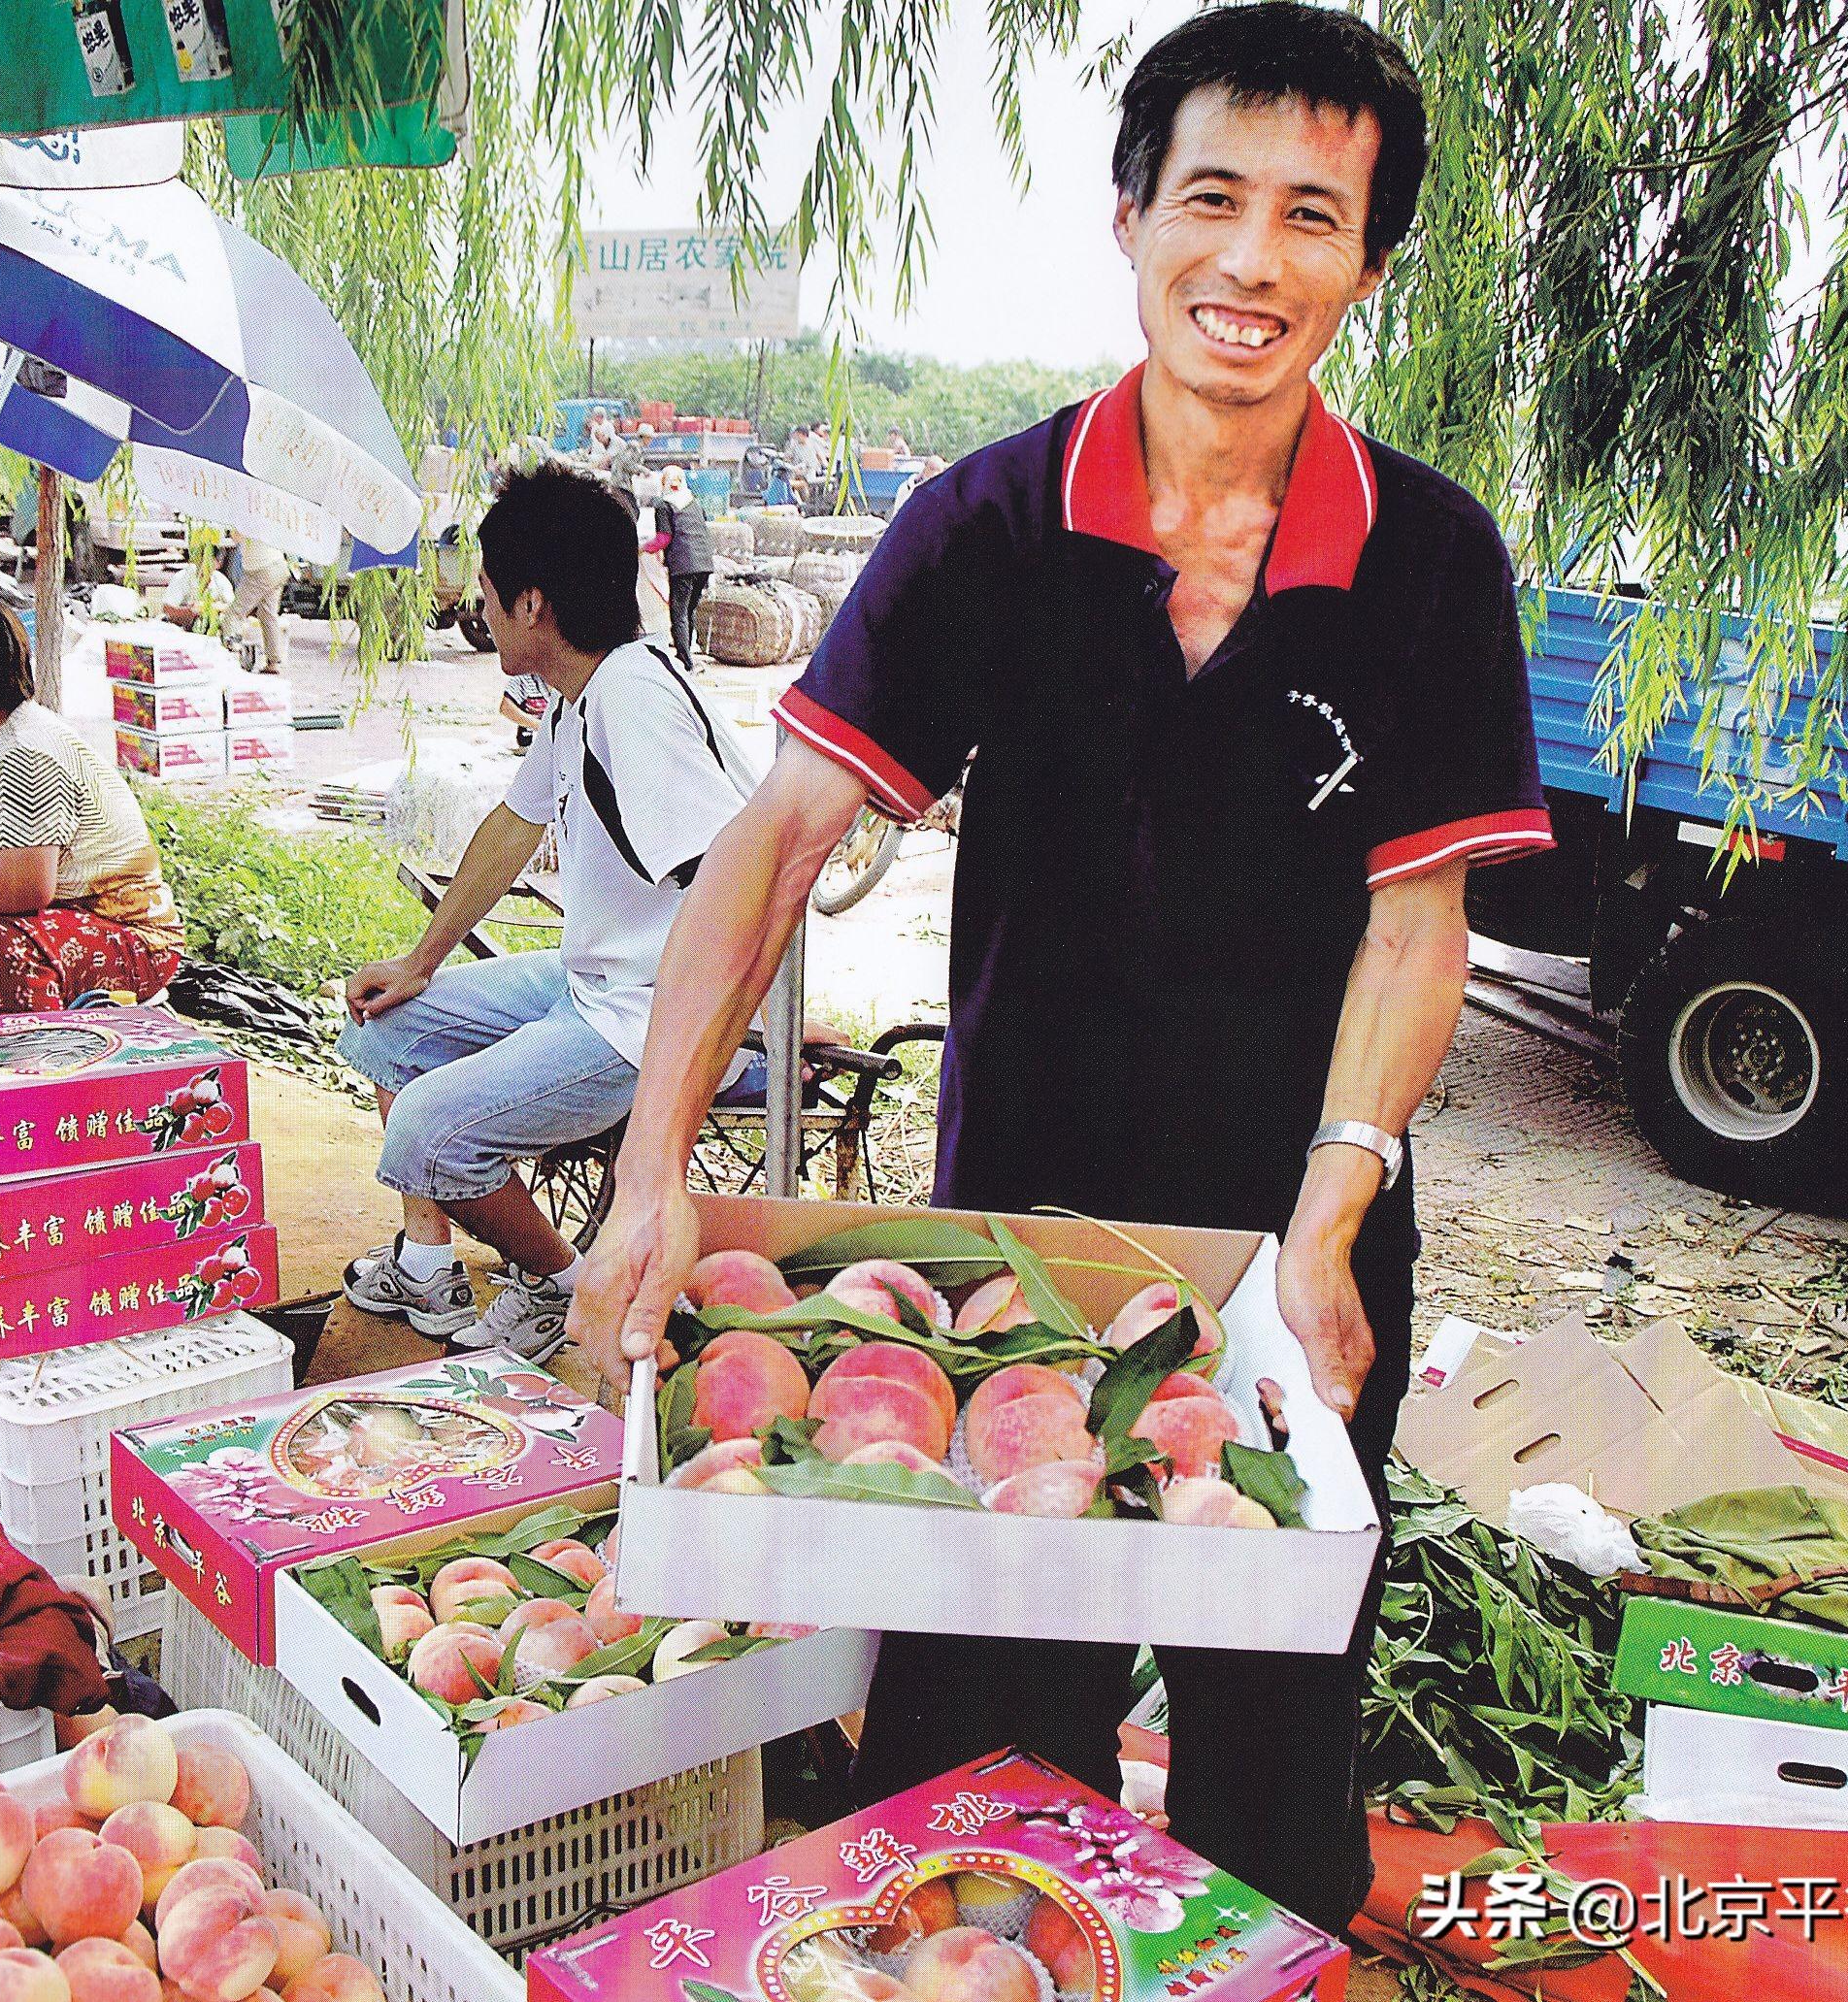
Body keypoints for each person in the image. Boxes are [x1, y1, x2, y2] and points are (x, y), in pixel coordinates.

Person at [570, 2, 1551, 1940]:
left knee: (1272, 1748)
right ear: (1128, 216)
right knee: (981, 1755)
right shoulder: (987, 525)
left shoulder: (1429, 558)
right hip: (1016, 1248)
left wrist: (1333, 1197)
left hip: (1292, 1254)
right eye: (1209, 198)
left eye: (1308, 215)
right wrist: (652, 1164)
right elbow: (774, 837)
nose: (1248, 261)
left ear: (1363, 259)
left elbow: (1413, 921)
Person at [339, 462, 761, 1360]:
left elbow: (735, 880)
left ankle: (558, 1284)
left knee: (424, 1131)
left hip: (647, 1016)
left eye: (487, 592)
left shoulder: (632, 702)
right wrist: (421, 960)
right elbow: (513, 823)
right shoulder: (580, 691)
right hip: (591, 982)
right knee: (382, 1028)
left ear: (531, 603)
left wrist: (737, 1040)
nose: (477, 610)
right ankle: (426, 1260)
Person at [0, 588, 185, 1011]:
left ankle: (38, 1059)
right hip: (26, 913)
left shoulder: (28, 753)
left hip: (124, 929)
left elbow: (23, 887)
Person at [644, 465, 712, 672]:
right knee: (689, 610)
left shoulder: (664, 505)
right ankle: (687, 653)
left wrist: (641, 548)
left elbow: (663, 539)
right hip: (704, 563)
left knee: (678, 613)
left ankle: (685, 662)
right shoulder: (694, 502)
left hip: (683, 566)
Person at [232, 536, 290, 673]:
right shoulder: (262, 515)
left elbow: (236, 537)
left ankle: (231, 654)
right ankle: (273, 662)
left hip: (261, 569)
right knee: (267, 614)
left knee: (235, 612)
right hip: (278, 566)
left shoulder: (247, 517)